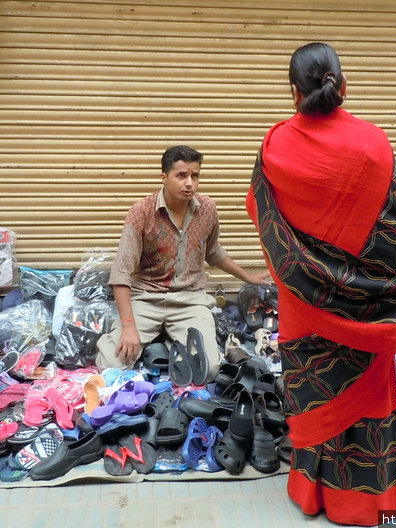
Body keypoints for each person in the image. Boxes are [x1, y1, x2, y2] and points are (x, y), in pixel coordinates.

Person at [245, 43, 396, 526]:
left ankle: (311, 494)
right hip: (370, 308)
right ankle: (369, 501)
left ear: (293, 92)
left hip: (304, 302)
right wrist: (394, 283)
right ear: (342, 84)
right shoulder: (374, 143)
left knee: (314, 390)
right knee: (369, 392)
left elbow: (260, 212)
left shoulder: (274, 146)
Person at [96, 145, 270, 380]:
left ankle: (170, 339)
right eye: (181, 175)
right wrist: (129, 326)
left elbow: (212, 251)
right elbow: (121, 274)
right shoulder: (141, 212)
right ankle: (168, 340)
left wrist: (248, 277)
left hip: (190, 301)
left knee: (207, 370)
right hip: (146, 298)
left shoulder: (207, 209)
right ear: (164, 178)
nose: (189, 182)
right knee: (111, 365)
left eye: (194, 175)